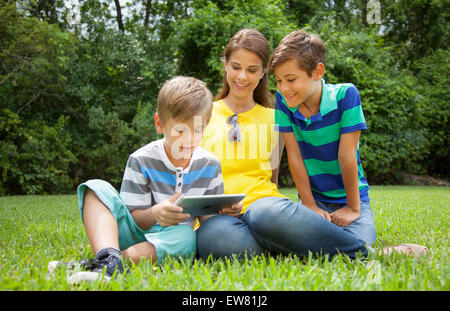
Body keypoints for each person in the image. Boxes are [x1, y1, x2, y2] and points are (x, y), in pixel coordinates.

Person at [196, 28, 428, 260]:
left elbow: (273, 179)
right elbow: (188, 175)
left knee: (266, 215)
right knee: (214, 238)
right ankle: (294, 248)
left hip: (264, 207)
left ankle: (366, 254)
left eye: (252, 69)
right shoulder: (201, 115)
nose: (242, 76)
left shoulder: (274, 115)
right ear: (225, 64)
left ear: (262, 73)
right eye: (236, 67)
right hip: (221, 216)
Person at [49, 76, 242, 283]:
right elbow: (133, 218)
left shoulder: (209, 165)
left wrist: (223, 211)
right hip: (132, 234)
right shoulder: (141, 159)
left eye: (198, 130)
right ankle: (108, 255)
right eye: (180, 131)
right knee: (95, 187)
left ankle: (108, 265)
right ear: (159, 123)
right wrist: (155, 214)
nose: (190, 139)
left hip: (172, 239)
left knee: (187, 237)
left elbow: (207, 222)